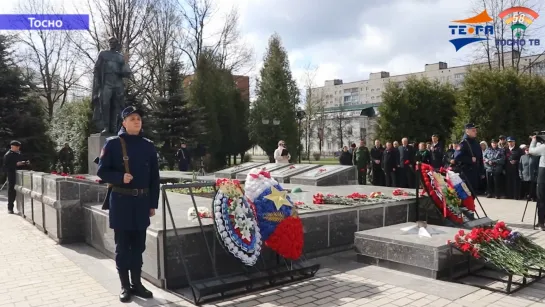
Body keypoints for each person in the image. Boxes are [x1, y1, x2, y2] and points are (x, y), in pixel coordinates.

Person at [97, 106, 160, 302]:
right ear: (123, 122)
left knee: (139, 246)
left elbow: (154, 178)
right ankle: (125, 286)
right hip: (121, 201)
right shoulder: (113, 143)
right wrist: (119, 177)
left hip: (141, 202)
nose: (137, 121)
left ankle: (137, 284)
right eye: (132, 118)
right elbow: (101, 171)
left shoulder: (148, 145)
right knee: (123, 247)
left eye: (139, 118)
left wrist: (152, 203)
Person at [454, 123, 484, 194]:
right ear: (467, 131)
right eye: (473, 130)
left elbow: (480, 158)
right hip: (467, 173)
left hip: (475, 173)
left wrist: (481, 171)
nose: (476, 132)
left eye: (475, 130)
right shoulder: (464, 143)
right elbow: (457, 156)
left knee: (473, 194)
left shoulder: (476, 143)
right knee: (466, 195)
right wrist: (470, 160)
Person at [3, 141, 28, 214]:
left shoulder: (19, 153)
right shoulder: (8, 155)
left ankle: (22, 208)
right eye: (17, 147)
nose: (18, 148)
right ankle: (10, 208)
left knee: (21, 191)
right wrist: (15, 164)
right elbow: (5, 167)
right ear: (13, 147)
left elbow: (22, 161)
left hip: (20, 175)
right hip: (12, 175)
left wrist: (24, 163)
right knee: (12, 191)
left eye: (19, 147)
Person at [529, 135, 545, 230]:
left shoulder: (543, 147)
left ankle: (541, 223)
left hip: (543, 172)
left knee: (541, 199)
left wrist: (534, 140)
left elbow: (531, 151)